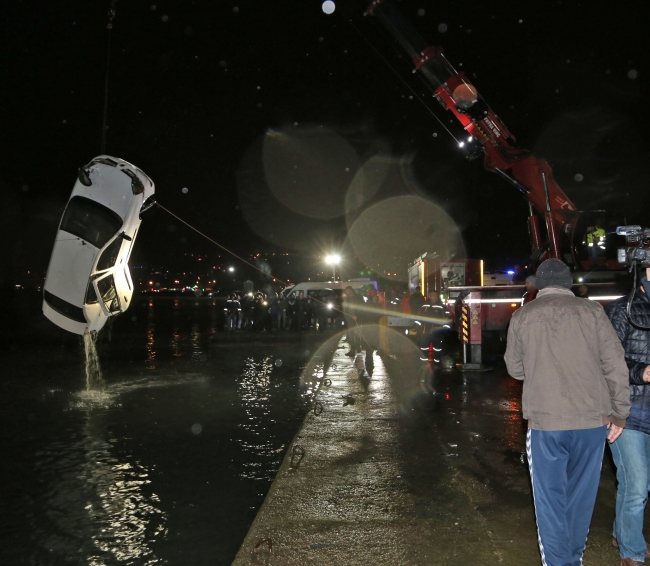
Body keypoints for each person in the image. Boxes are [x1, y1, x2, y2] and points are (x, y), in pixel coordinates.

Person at [504, 258, 630, 566]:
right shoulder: (593, 312)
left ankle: (562, 563)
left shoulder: (523, 316)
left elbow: (515, 369)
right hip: (592, 422)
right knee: (580, 498)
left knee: (550, 500)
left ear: (540, 285)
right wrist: (620, 414)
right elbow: (615, 365)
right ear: (569, 284)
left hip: (547, 423)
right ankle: (572, 559)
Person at [605, 268, 650, 566]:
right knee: (637, 485)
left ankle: (622, 532)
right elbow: (608, 358)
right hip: (629, 412)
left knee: (636, 484)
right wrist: (641, 372)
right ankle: (631, 552)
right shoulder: (622, 310)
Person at [343, 286, 362, 356]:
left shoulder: (358, 298)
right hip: (349, 319)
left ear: (351, 290)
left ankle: (356, 348)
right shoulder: (347, 299)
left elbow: (362, 308)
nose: (345, 292)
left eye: (346, 290)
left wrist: (357, 315)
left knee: (356, 334)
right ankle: (354, 348)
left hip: (356, 319)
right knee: (351, 335)